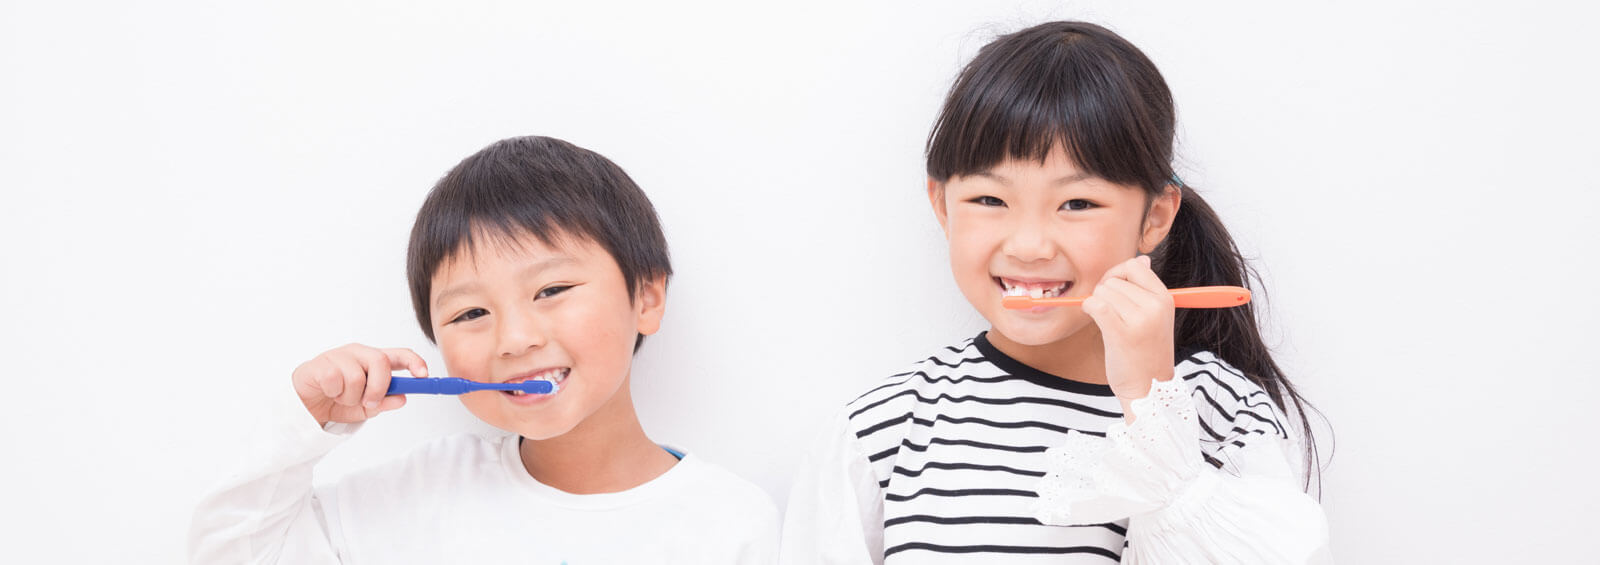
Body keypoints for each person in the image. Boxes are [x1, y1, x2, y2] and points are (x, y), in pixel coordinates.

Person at [780, 21, 1330, 564]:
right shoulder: (886, 427)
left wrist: (1151, 400)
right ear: (943, 206)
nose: (1029, 246)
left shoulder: (1224, 411)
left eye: (1077, 204)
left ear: (1155, 216)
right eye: (990, 200)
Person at [190, 136, 779, 564]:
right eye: (471, 313)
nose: (515, 338)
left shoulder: (731, 524)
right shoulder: (417, 494)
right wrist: (304, 424)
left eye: (551, 290)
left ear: (646, 297)